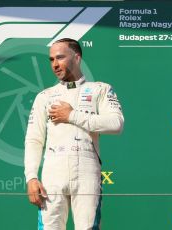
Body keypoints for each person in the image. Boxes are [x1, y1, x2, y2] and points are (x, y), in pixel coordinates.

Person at [24, 38, 124, 230]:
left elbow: (116, 124)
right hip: (53, 172)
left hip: (87, 170)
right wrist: (31, 177)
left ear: (77, 58)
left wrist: (72, 115)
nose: (55, 64)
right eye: (51, 59)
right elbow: (33, 139)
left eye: (60, 57)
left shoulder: (100, 89)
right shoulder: (44, 96)